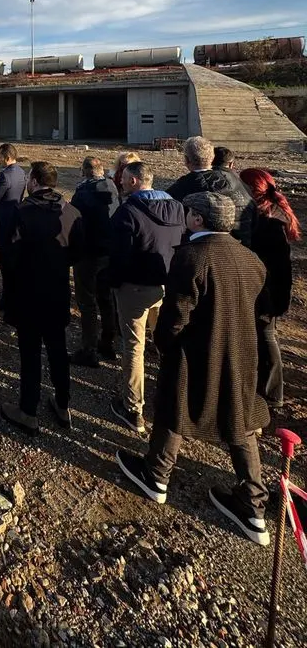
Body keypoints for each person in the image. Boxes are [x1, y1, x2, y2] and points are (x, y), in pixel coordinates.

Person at [116, 192, 271, 546]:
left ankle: (156, 475)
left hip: (197, 349)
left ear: (198, 219)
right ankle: (253, 503)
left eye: (189, 213)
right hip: (241, 350)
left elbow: (175, 316)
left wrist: (166, 344)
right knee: (241, 416)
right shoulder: (251, 260)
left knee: (174, 408)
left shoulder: (191, 257)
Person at [1, 161, 83, 432]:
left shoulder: (21, 212)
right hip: (57, 291)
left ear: (34, 182)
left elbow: (9, 256)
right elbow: (76, 254)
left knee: (30, 353)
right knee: (58, 349)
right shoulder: (71, 212)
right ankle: (63, 403)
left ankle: (28, 409)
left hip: (28, 293)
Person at [109, 161, 185, 433]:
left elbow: (118, 255)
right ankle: (174, 402)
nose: (119, 182)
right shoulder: (177, 207)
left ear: (133, 181)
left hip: (135, 288)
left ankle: (133, 408)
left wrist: (114, 284)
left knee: (134, 348)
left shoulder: (127, 212)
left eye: (123, 179)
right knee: (167, 344)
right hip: (166, 286)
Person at [240, 168, 302, 411]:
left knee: (265, 338)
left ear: (252, 189)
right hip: (270, 289)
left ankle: (271, 393)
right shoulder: (273, 213)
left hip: (265, 291)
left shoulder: (266, 220)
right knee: (265, 337)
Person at [70, 156, 120, 366]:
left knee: (87, 302)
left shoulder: (82, 193)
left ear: (84, 171)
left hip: (88, 254)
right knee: (106, 299)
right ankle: (108, 343)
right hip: (109, 252)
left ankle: (88, 349)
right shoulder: (112, 187)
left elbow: (74, 221)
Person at [167, 135, 255, 246]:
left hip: (203, 248)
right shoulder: (235, 181)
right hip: (242, 246)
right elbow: (252, 209)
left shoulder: (183, 186)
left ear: (186, 160)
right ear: (212, 157)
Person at [0, 143, 26, 321]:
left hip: (4, 222)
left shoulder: (3, 175)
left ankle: (8, 301)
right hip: (17, 221)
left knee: (6, 265)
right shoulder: (21, 172)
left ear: (6, 157)